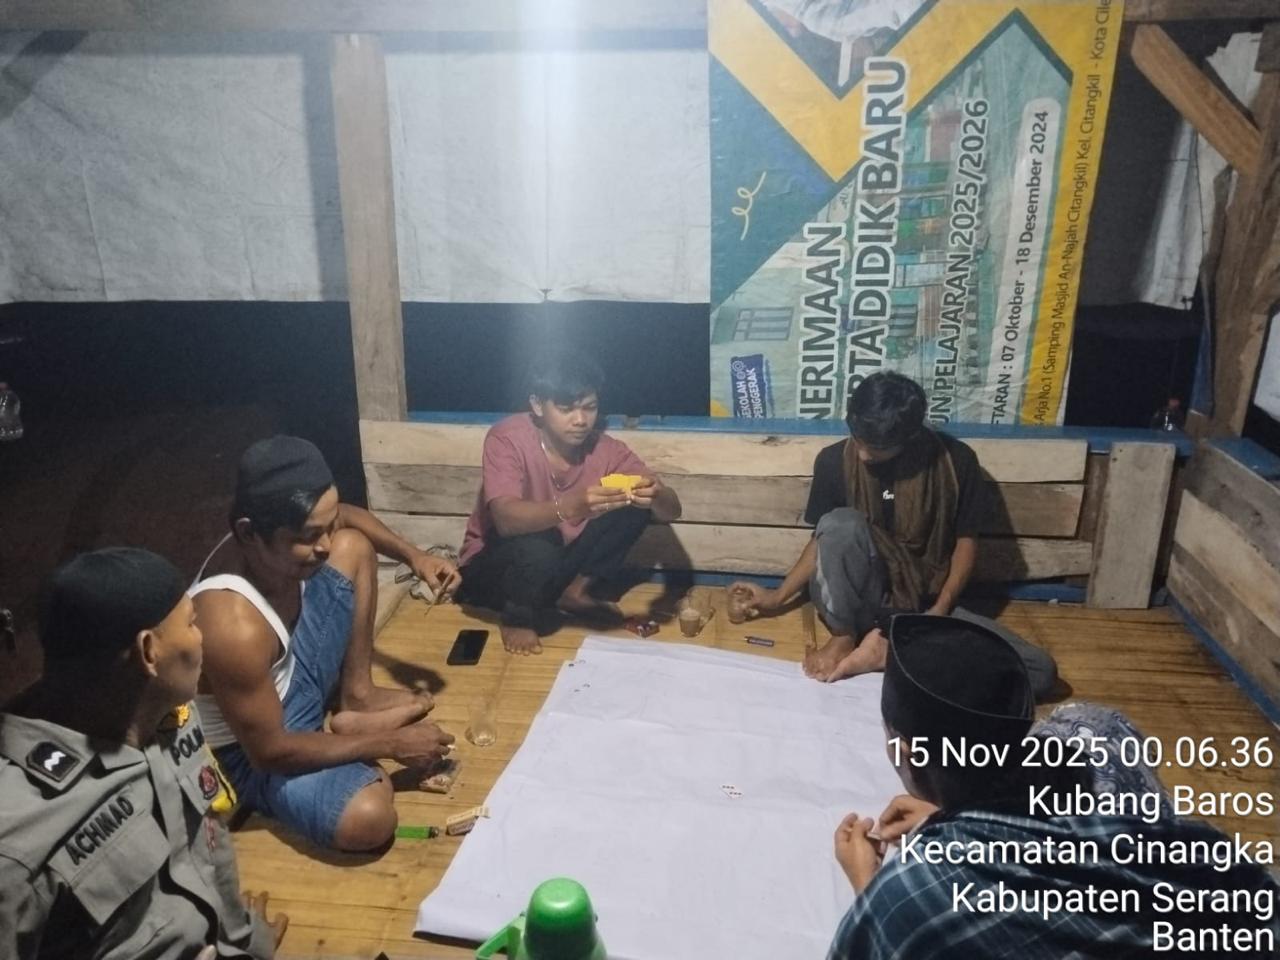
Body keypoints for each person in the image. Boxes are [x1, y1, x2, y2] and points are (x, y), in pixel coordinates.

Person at [827, 614, 1280, 958]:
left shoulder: (910, 894)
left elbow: (900, 933)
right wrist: (948, 819)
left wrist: (867, 883)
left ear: (907, 753)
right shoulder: (1102, 738)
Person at [0, 548, 286, 959]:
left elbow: (206, 844)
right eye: (192, 623)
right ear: (149, 651)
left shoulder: (169, 714)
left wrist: (242, 937)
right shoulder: (17, 843)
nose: (203, 637)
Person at [192, 436, 456, 852]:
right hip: (255, 748)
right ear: (249, 533)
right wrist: (390, 744)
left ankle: (358, 696)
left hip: (290, 673)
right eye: (309, 535)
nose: (325, 545)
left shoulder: (286, 538)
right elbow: (269, 751)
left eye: (326, 526)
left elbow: (347, 516)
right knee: (369, 817)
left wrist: (415, 557)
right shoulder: (230, 622)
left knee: (355, 545)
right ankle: (348, 738)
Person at [730, 371, 1057, 695]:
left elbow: (966, 542)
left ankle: (885, 651)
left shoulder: (956, 462)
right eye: (858, 438)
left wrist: (938, 612)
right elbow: (824, 540)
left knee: (1038, 671)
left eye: (877, 448)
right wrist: (776, 597)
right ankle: (847, 639)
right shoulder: (833, 461)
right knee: (840, 522)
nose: (862, 453)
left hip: (922, 603)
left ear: (910, 436)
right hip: (856, 606)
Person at [455, 351, 682, 654]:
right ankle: (517, 615)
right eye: (566, 409)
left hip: (554, 568)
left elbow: (671, 510)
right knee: (541, 541)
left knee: (633, 504)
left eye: (590, 408)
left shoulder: (606, 449)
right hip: (493, 573)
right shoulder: (507, 438)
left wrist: (656, 495)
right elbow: (505, 521)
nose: (580, 420)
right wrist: (571, 506)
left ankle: (574, 592)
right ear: (538, 405)